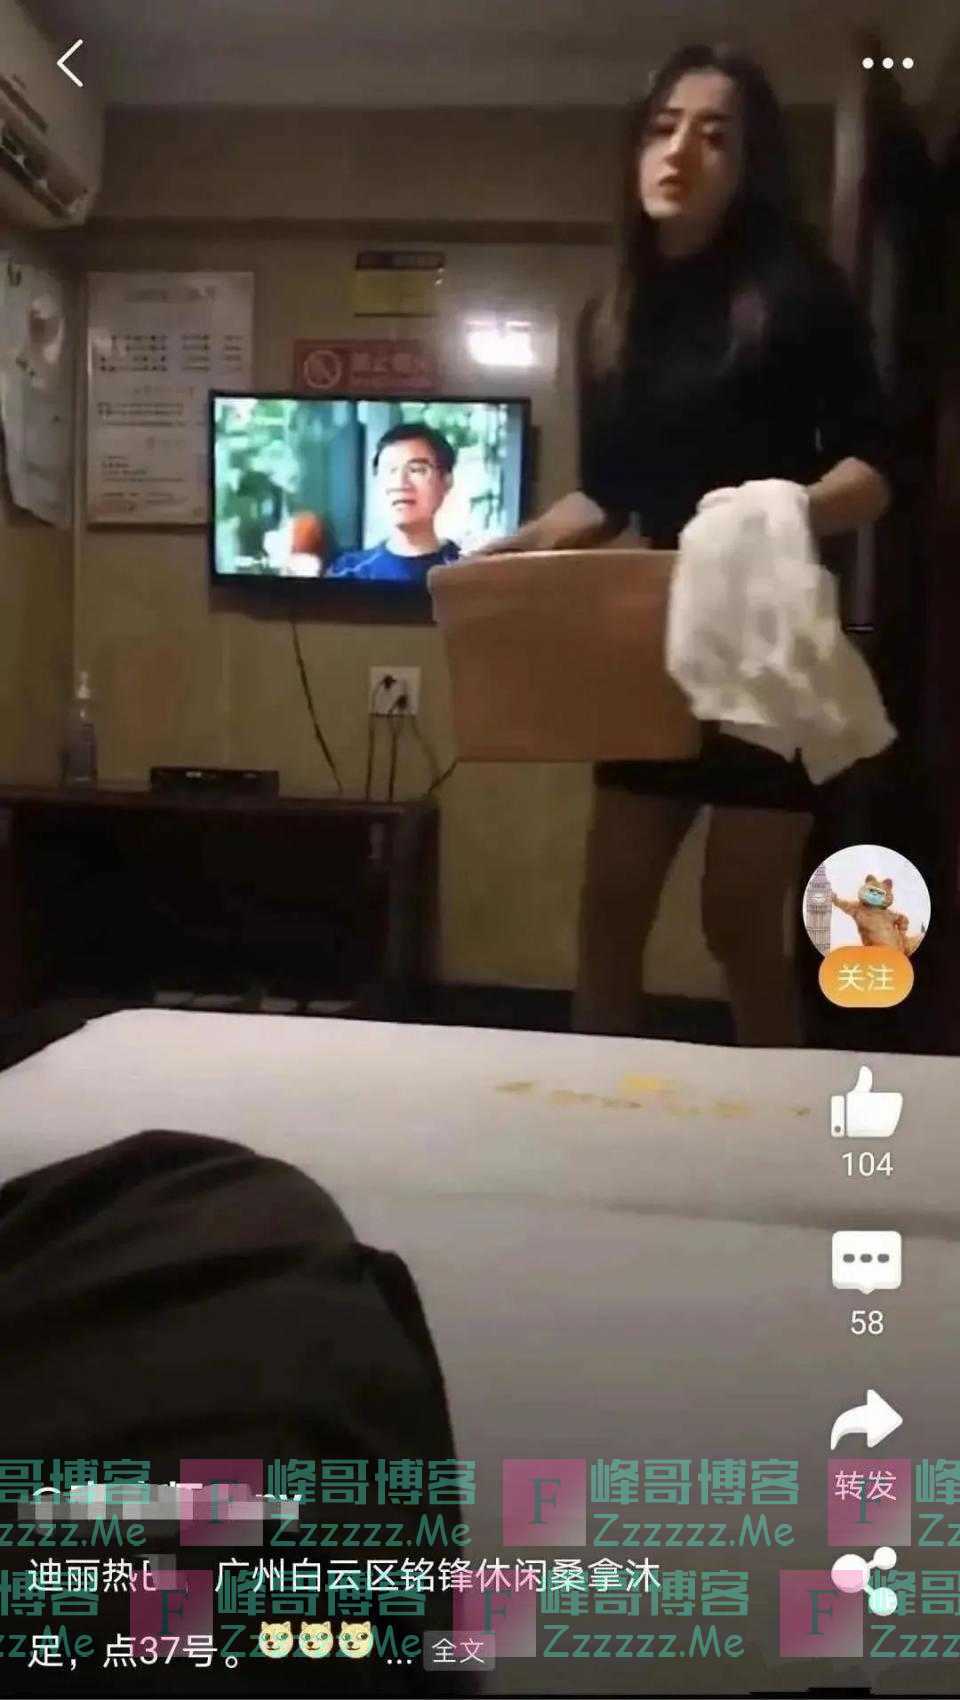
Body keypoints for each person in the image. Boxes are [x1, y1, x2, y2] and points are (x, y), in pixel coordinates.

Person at [475, 42, 902, 1047]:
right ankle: (600, 1123)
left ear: (749, 165)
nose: (680, 152)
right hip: (655, 642)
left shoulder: (801, 296)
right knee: (609, 912)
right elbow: (606, 493)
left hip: (768, 641)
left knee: (740, 925)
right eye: (664, 128)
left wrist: (776, 511)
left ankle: (779, 1131)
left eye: (714, 135)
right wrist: (518, 549)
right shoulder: (609, 318)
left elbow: (877, 472)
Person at [327, 423, 461, 584]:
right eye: (390, 470)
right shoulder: (349, 572)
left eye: (416, 470)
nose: (400, 483)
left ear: (446, 481)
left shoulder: (470, 571)